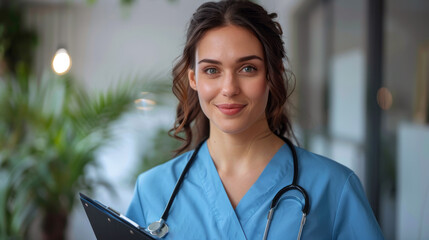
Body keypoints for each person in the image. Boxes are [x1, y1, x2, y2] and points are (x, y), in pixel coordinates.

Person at [126, 0, 384, 239]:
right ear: (194, 79)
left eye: (247, 68)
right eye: (212, 70)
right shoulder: (153, 189)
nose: (229, 88)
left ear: (274, 74)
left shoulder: (334, 188)